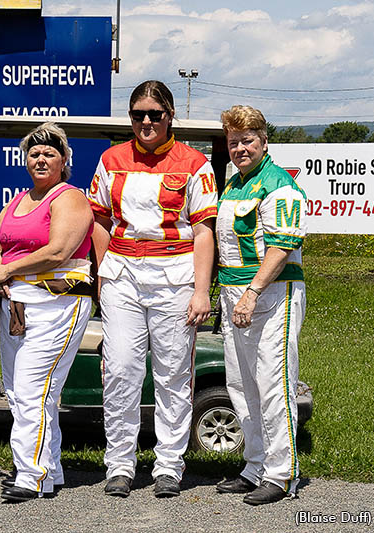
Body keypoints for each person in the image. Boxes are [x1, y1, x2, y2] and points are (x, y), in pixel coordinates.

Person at [89, 81, 218, 498]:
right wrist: (101, 274)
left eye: (155, 115)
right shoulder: (111, 160)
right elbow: (100, 222)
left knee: (172, 372)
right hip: (123, 276)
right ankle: (120, 465)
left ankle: (168, 465)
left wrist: (202, 290)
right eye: (138, 114)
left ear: (170, 116)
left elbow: (203, 231)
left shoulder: (194, 163)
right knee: (122, 369)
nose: (146, 122)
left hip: (175, 276)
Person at [0, 122, 94, 502]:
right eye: (34, 153)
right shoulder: (18, 200)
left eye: (49, 153)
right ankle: (50, 471)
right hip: (15, 304)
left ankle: (30, 475)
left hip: (57, 301)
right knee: (21, 393)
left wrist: (9, 270)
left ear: (64, 160)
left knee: (33, 389)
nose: (41, 158)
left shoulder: (70, 198)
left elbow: (59, 251)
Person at [215, 105, 306, 506]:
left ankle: (282, 473)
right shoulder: (234, 184)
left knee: (272, 383)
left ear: (264, 140)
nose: (239, 148)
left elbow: (283, 246)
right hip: (233, 294)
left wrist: (252, 292)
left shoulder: (279, 184)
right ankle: (255, 466)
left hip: (270, 294)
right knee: (240, 384)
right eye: (233, 142)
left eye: (247, 140)